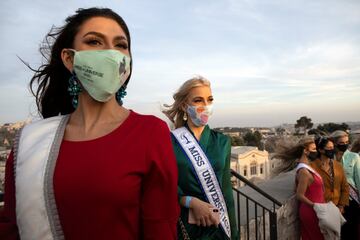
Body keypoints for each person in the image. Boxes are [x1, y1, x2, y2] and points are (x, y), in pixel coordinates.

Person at [0, 7, 179, 240]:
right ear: (69, 58)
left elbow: (161, 229)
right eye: (95, 42)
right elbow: (11, 227)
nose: (111, 53)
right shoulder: (30, 143)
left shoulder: (151, 132)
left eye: (121, 45)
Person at [162, 76, 238, 240]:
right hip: (185, 227)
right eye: (198, 100)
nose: (205, 106)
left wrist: (235, 234)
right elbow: (162, 185)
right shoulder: (169, 142)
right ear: (184, 105)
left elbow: (226, 192)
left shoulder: (222, 142)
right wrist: (189, 201)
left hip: (218, 229)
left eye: (209, 100)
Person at [273, 137, 325, 240]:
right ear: (305, 151)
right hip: (311, 211)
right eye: (313, 149)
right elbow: (299, 195)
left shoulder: (307, 167)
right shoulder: (303, 171)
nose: (316, 152)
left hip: (317, 210)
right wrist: (314, 205)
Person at [330, 130, 360, 240]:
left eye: (347, 142)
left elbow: (358, 180)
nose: (345, 145)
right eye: (341, 143)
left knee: (351, 232)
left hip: (351, 201)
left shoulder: (354, 157)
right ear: (334, 143)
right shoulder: (328, 158)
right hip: (333, 201)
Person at [310, 136, 349, 214]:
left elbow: (345, 187)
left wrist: (341, 205)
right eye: (329, 148)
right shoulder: (312, 167)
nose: (332, 150)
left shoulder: (338, 166)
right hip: (319, 209)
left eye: (333, 147)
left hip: (337, 208)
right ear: (320, 150)